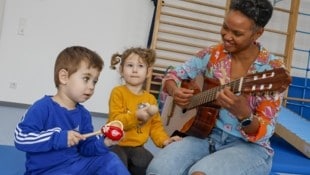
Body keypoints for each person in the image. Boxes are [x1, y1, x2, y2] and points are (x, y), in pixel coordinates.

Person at [146, 0, 287, 175]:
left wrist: (244, 115)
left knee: (200, 173)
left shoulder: (272, 70)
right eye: (225, 27)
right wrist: (175, 91)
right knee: (157, 170)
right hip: (204, 135)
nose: (227, 36)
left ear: (257, 33)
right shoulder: (213, 54)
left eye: (237, 33)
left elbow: (265, 131)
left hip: (249, 147)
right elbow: (171, 76)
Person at [14, 46, 130, 175]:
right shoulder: (42, 107)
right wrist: (58, 138)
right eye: (86, 78)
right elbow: (21, 138)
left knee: (109, 159)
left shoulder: (84, 115)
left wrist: (105, 142)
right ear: (64, 77)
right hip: (46, 171)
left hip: (75, 166)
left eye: (95, 81)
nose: (91, 87)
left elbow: (86, 148)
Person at [108, 47, 182, 175]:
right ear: (121, 70)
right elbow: (116, 121)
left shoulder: (150, 99)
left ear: (148, 72)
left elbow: (155, 126)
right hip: (116, 144)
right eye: (130, 65)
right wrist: (136, 116)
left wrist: (165, 141)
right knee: (115, 164)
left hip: (137, 147)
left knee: (152, 166)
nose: (135, 70)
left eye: (140, 66)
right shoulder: (118, 92)